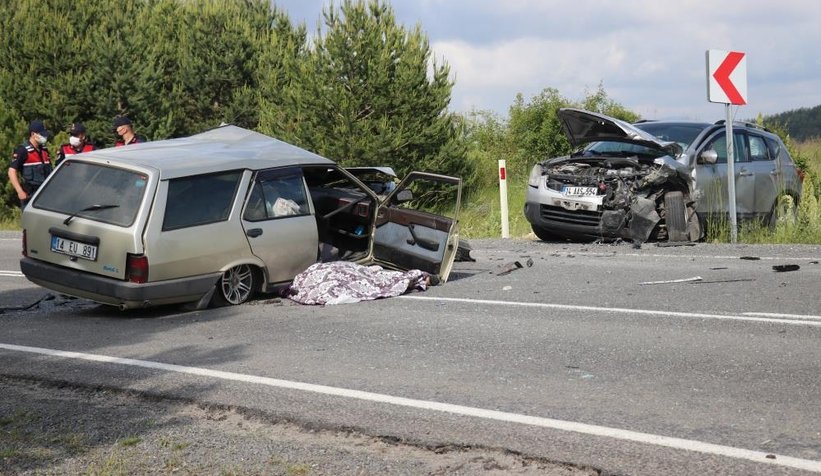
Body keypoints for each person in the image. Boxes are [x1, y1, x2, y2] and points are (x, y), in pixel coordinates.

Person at [9, 120, 53, 208]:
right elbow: (11, 171)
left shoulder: (44, 150)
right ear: (33, 134)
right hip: (30, 195)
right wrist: (19, 191)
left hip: (45, 194)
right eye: (41, 134)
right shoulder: (23, 150)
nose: (44, 136)